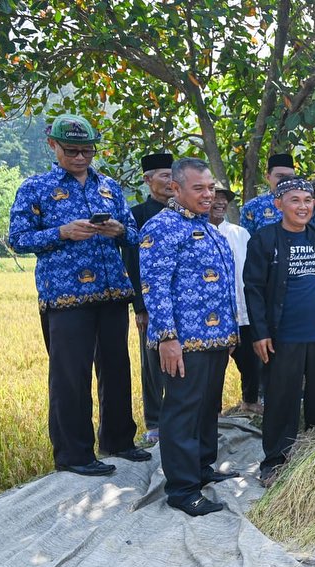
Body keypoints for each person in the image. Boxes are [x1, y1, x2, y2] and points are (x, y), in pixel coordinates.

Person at [8, 113, 148, 476]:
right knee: (71, 376)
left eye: (88, 150)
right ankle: (74, 455)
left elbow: (134, 235)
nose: (81, 158)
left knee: (117, 369)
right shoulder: (34, 188)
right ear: (52, 144)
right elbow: (19, 239)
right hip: (66, 297)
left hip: (113, 291)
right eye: (72, 151)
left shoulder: (110, 187)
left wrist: (118, 229)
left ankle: (119, 440)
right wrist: (62, 232)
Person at [139, 158, 241, 516]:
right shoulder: (162, 228)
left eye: (210, 187)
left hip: (215, 338)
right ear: (176, 189)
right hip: (183, 342)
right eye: (199, 188)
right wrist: (167, 338)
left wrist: (228, 331)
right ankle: (183, 490)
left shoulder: (209, 227)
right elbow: (155, 288)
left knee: (206, 407)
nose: (208, 194)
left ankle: (201, 468)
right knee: (182, 411)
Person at [244, 176, 315, 485]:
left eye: (308, 201)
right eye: (295, 200)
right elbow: (254, 289)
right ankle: (275, 460)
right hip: (282, 337)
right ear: (279, 204)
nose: (303, 206)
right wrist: (260, 332)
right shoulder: (264, 239)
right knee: (281, 400)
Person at [126, 151, 174, 444]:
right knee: (153, 362)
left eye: (173, 175)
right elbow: (132, 261)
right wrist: (140, 307)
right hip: (150, 303)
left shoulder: (184, 212)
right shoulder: (138, 215)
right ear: (148, 180)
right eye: (164, 176)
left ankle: (181, 417)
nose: (170, 181)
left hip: (182, 300)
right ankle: (155, 421)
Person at [209, 183, 260, 413]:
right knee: (215, 364)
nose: (220, 202)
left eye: (224, 198)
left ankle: (249, 401)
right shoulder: (198, 233)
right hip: (214, 315)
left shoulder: (241, 234)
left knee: (250, 360)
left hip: (243, 308)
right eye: (215, 197)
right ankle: (213, 410)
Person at [240, 153, 296, 234]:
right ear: (268, 177)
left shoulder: (304, 205)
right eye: (280, 176)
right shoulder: (253, 206)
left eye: (290, 176)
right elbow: (245, 240)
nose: (285, 180)